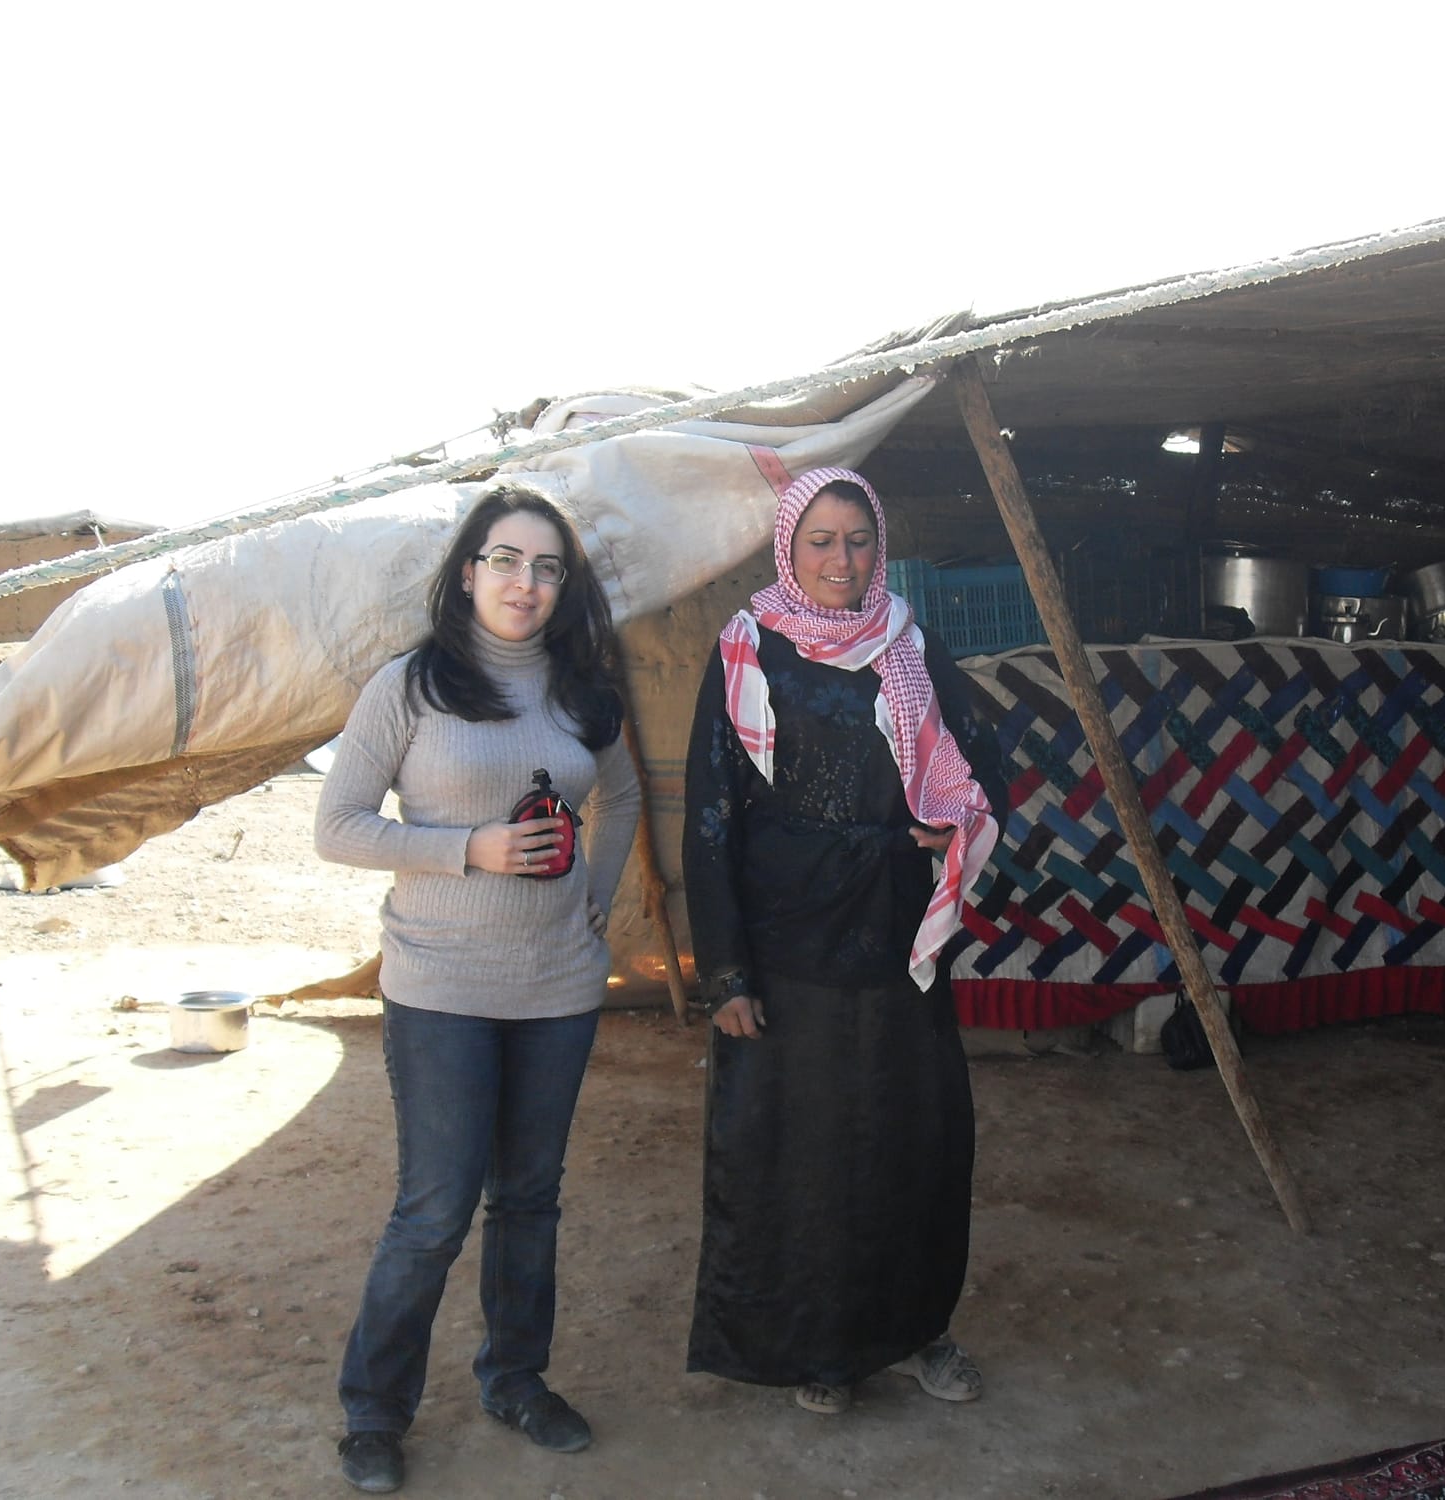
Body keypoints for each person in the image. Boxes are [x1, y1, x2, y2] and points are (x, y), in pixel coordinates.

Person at [315, 482, 642, 1493]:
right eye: (505, 560)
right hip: (441, 985)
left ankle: (514, 1379)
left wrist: (596, 897)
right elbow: (338, 826)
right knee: (434, 1209)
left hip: (558, 985)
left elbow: (623, 792)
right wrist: (469, 847)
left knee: (530, 1200)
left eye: (546, 567)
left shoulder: (583, 690)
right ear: (468, 573)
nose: (525, 583)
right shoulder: (410, 686)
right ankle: (375, 1411)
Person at [682, 465, 1008, 1415]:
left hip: (899, 939)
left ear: (880, 548)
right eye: (820, 541)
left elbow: (983, 751)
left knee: (915, 1140)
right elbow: (711, 818)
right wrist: (727, 973)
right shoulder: (749, 649)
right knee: (804, 1149)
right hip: (789, 946)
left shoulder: (909, 642)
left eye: (858, 541)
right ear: (789, 549)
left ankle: (917, 1330)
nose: (842, 560)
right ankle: (819, 1349)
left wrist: (959, 817)